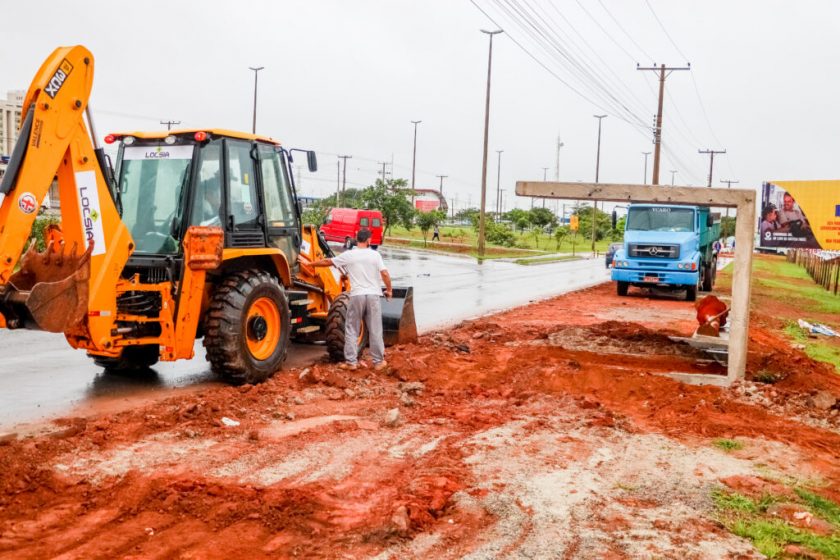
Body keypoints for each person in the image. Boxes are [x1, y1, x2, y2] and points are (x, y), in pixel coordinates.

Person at [308, 229, 392, 371]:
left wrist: (311, 264)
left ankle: (351, 362)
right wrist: (389, 289)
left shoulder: (349, 255)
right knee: (375, 329)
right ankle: (378, 362)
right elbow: (384, 273)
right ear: (369, 240)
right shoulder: (375, 255)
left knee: (352, 328)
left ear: (356, 239)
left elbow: (328, 261)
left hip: (357, 295)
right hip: (373, 296)